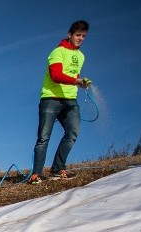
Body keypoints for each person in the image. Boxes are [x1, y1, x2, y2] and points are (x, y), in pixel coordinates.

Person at [29, 20, 92, 185]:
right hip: (50, 99)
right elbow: (55, 76)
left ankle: (57, 169)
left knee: (72, 133)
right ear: (70, 34)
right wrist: (77, 81)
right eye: (78, 35)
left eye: (83, 36)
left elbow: (73, 76)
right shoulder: (57, 52)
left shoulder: (81, 56)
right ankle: (36, 174)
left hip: (70, 101)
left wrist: (81, 83)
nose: (80, 38)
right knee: (44, 137)